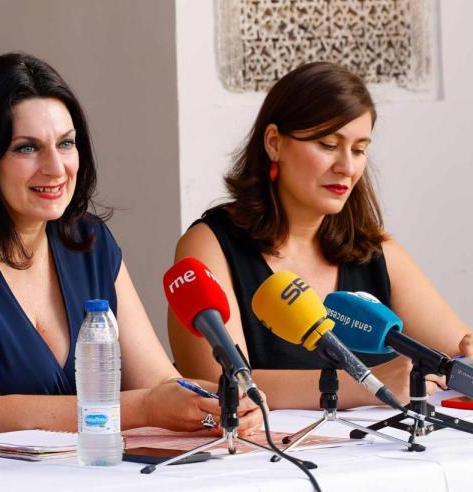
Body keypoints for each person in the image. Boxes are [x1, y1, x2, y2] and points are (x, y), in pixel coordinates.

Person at [0, 52, 262, 450]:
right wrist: (146, 409)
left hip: (86, 480)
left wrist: (215, 400)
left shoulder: (90, 241)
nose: (55, 167)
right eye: (27, 148)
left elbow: (157, 383)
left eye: (66, 144)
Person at [170, 61, 473, 410]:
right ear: (274, 143)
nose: (347, 167)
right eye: (329, 144)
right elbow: (219, 384)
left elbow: (457, 355)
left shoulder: (376, 250)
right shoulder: (210, 245)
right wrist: (367, 383)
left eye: (359, 150)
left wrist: (464, 360)